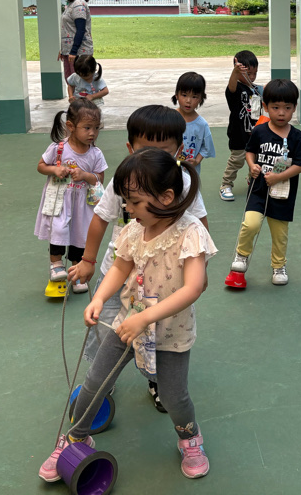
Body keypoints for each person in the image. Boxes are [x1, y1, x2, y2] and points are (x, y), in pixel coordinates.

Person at [39, 147, 217, 482]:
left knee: (174, 396)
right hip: (126, 324)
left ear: (166, 197)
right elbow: (120, 267)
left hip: (171, 333)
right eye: (126, 201)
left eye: (134, 202)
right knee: (95, 381)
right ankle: (76, 436)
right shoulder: (134, 230)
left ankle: (190, 438)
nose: (127, 209)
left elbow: (193, 288)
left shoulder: (190, 232)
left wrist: (146, 318)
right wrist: (99, 298)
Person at [68, 104, 208, 412]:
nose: (152, 157)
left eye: (163, 150)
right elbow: (100, 219)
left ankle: (157, 381)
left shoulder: (182, 185)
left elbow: (200, 224)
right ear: (131, 148)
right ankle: (103, 377)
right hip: (120, 272)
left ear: (178, 150)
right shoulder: (124, 181)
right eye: (145, 149)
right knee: (105, 327)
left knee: (158, 338)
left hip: (164, 282)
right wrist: (88, 261)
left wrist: (200, 267)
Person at [228, 78, 301, 287]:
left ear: (294, 108)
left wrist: (279, 177)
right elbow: (250, 151)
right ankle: (241, 256)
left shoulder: (297, 137)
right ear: (265, 106)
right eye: (275, 107)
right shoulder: (259, 131)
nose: (281, 113)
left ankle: (278, 266)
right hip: (258, 189)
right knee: (250, 224)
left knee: (280, 234)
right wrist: (252, 165)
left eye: (287, 108)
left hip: (283, 193)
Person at [34, 98, 107, 293]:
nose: (92, 133)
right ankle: (56, 265)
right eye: (87, 128)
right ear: (71, 126)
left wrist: (84, 175)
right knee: (58, 229)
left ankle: (77, 271)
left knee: (80, 235)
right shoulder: (58, 148)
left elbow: (99, 178)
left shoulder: (95, 154)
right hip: (60, 200)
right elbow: (41, 166)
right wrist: (54, 170)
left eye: (96, 128)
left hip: (83, 203)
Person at [219, 50, 261, 201]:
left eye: (255, 73)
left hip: (254, 133)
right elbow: (231, 87)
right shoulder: (235, 88)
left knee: (256, 158)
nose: (252, 77)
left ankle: (252, 179)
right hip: (238, 135)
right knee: (237, 161)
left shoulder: (256, 89)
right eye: (248, 74)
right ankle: (226, 185)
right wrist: (235, 72)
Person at [172, 71, 215, 174]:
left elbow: (206, 147)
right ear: (177, 95)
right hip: (169, 170)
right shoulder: (168, 118)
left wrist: (197, 161)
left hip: (190, 172)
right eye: (184, 95)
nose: (188, 100)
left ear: (201, 98)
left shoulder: (201, 124)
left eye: (194, 96)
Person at [59, 0, 93, 86]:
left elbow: (80, 30)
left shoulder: (78, 5)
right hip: (69, 51)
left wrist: (73, 51)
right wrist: (63, 49)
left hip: (78, 53)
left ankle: (82, 99)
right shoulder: (71, 4)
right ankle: (73, 98)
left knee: (80, 84)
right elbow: (69, 29)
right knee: (70, 81)